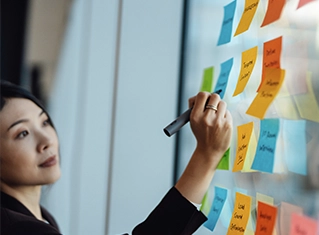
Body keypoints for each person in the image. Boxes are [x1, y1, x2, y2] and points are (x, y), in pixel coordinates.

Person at [0, 80, 233, 234]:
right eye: (22, 133)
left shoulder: (39, 218)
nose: (47, 141)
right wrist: (207, 155)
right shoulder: (18, 228)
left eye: (44, 122)